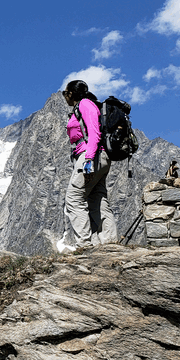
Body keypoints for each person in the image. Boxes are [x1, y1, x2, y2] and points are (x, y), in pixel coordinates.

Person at [62, 80, 117, 247]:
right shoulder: (86, 105)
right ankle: (109, 243)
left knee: (74, 198)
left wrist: (88, 159)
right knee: (97, 199)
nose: (65, 97)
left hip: (91, 156)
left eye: (66, 93)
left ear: (71, 93)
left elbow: (94, 132)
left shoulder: (85, 104)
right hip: (98, 157)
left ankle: (84, 244)